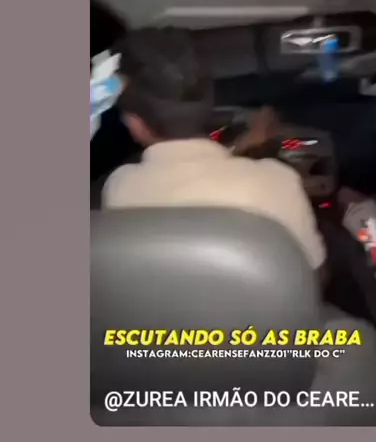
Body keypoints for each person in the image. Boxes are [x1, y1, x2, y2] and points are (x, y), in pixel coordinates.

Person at [102, 26, 326, 271]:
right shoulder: (278, 180)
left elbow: (189, 185)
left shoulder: (120, 187)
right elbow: (314, 276)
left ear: (136, 123)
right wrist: (253, 153)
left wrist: (243, 148)